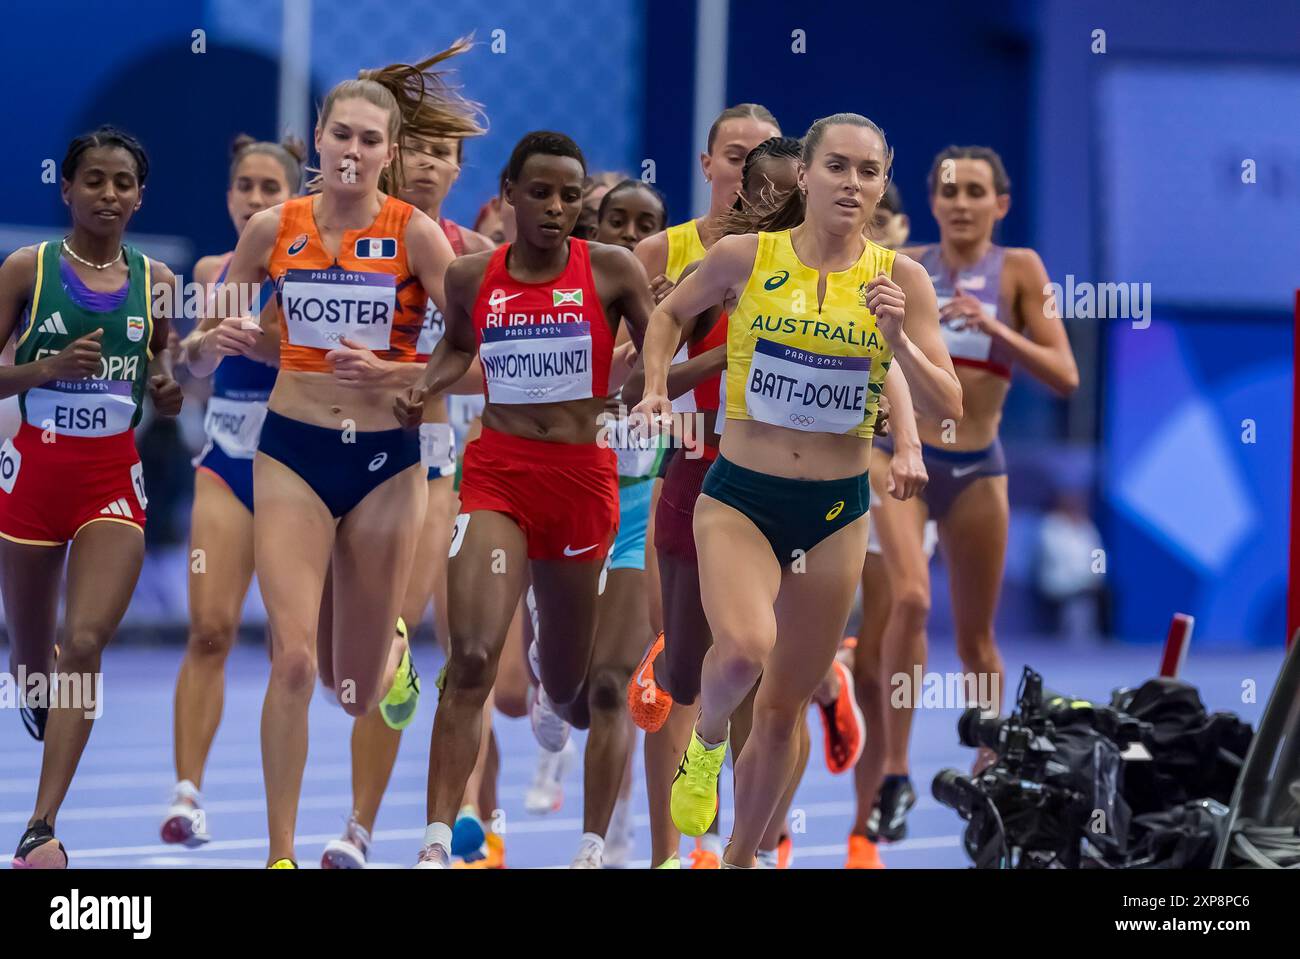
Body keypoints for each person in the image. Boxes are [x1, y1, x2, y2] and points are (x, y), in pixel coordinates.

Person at [635, 113, 961, 867]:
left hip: (835, 512)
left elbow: (951, 403)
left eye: (868, 172)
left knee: (783, 712)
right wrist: (655, 388)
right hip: (741, 496)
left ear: (882, 184)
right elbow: (667, 314)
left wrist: (901, 341)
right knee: (744, 652)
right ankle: (707, 740)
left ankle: (745, 852)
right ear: (805, 175)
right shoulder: (744, 257)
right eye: (838, 167)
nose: (853, 184)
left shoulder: (900, 279)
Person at [200, 45, 480, 868]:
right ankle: (280, 853)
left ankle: (386, 659)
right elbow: (192, 350)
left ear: (387, 154)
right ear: (316, 143)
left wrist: (396, 371)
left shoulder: (417, 236)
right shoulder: (270, 228)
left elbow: (479, 362)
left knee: (348, 687)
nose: (353, 151)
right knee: (290, 660)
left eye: (369, 140)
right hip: (288, 451)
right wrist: (210, 343)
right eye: (340, 136)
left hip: (387, 464)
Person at [397, 130, 653, 868]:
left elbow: (654, 344)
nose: (555, 206)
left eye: (570, 195)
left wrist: (650, 384)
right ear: (508, 192)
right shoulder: (473, 277)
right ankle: (437, 840)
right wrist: (426, 382)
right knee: (472, 656)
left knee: (573, 692)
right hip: (499, 471)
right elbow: (455, 342)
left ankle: (549, 671)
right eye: (539, 191)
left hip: (581, 481)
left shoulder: (611, 270)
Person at [849, 145, 1079, 858]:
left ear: (999, 204)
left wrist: (995, 327)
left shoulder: (1021, 270)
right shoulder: (907, 265)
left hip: (979, 463)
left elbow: (1065, 374)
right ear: (933, 199)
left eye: (976, 191)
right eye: (948, 189)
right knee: (912, 599)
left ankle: (989, 759)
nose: (960, 202)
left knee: (979, 636)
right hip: (901, 455)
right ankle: (894, 772)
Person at [0, 126, 185, 867]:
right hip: (32, 480)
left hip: (111, 481)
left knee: (84, 643)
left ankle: (41, 824)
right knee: (32, 663)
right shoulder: (25, 269)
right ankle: (29, 676)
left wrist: (169, 388)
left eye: (123, 183)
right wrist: (39, 371)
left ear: (141, 196)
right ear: (67, 189)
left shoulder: (158, 283)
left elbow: (165, 377)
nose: (109, 194)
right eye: (95, 180)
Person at [163, 134, 303, 848]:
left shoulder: (315, 268)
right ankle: (188, 795)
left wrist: (271, 342)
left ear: (292, 197)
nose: (255, 199)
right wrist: (199, 347)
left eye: (269, 188)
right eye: (244, 186)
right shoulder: (218, 270)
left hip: (298, 470)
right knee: (209, 629)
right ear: (229, 197)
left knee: (295, 652)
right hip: (227, 458)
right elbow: (187, 366)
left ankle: (287, 827)